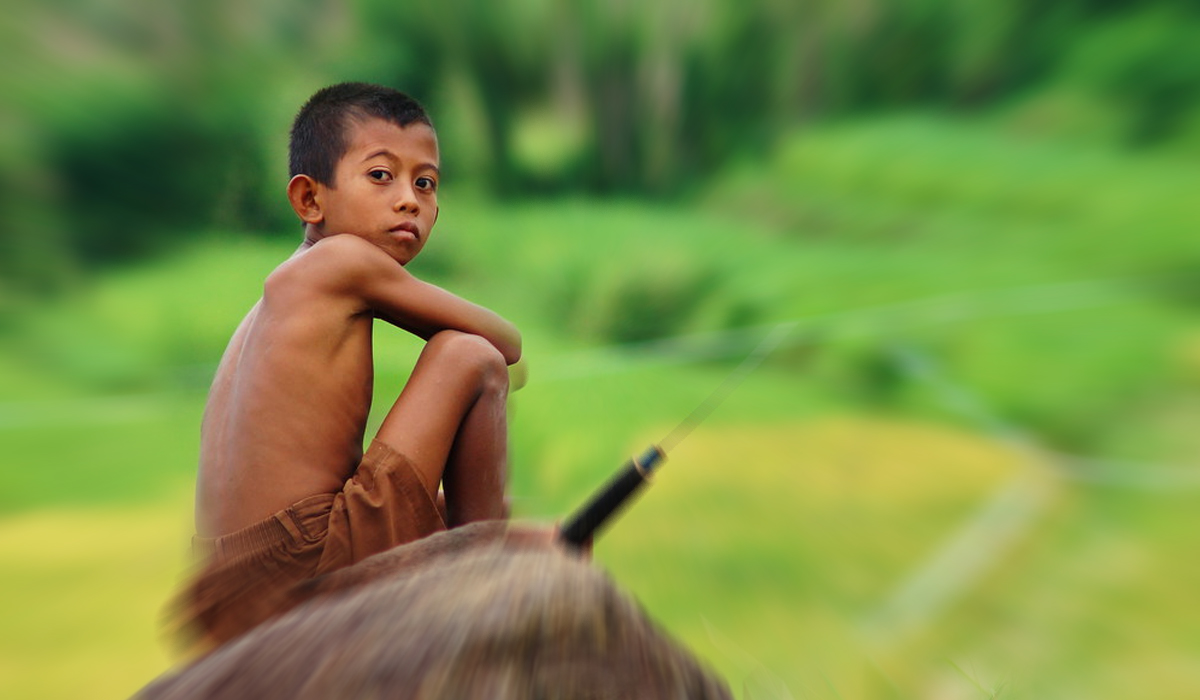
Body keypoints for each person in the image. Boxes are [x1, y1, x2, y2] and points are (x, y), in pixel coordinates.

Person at [173, 82, 526, 651]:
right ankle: (485, 586)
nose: (410, 199)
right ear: (310, 200)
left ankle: (490, 545)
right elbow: (502, 341)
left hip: (224, 583)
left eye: (426, 183)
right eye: (381, 176)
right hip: (302, 559)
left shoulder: (266, 306)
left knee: (440, 508)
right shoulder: (344, 259)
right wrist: (515, 369)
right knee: (470, 356)